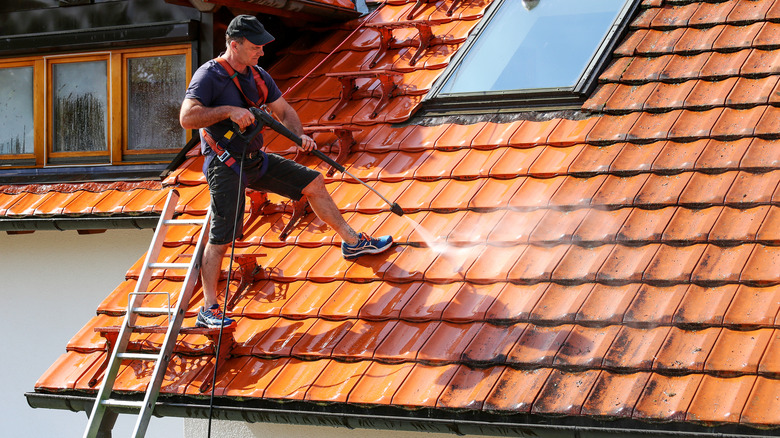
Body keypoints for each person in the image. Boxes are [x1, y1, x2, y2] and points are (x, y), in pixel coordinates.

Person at [180, 15, 393, 328]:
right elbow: (187, 118)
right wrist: (228, 111)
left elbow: (284, 111)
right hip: (224, 164)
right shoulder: (209, 75)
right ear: (235, 45)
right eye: (255, 47)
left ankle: (351, 241)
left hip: (254, 159)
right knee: (222, 237)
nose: (261, 53)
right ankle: (208, 308)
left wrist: (299, 136)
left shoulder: (259, 76)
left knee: (314, 182)